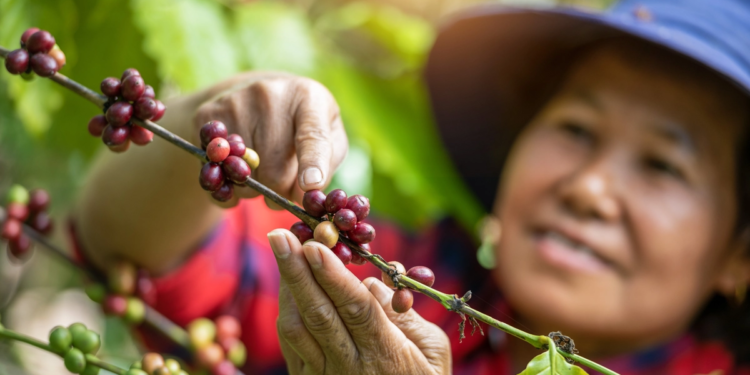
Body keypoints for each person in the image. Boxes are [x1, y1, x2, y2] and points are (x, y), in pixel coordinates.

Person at [73, 0, 750, 373]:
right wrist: (208, 129)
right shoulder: (419, 288)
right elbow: (132, 252)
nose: (590, 187)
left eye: (664, 165)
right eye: (574, 128)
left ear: (739, 255)